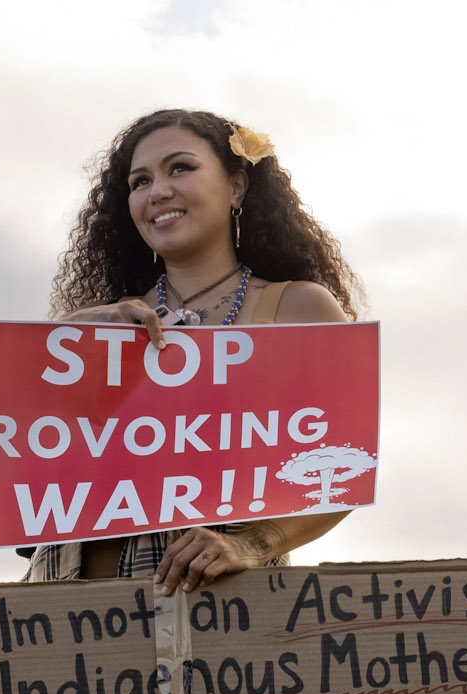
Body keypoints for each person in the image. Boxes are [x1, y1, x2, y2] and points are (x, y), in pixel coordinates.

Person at [24, 108, 364, 594]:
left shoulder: (298, 307)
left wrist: (253, 543)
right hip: (66, 595)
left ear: (236, 187)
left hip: (216, 595)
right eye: (140, 181)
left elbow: (347, 465)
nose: (157, 191)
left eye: (180, 168)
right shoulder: (102, 325)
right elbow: (21, 453)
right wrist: (58, 346)